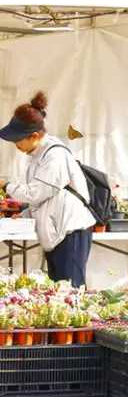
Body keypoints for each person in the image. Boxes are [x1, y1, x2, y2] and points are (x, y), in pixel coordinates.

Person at [0, 92, 96, 286]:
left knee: (69, 290)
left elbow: (36, 193)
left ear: (34, 136)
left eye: (18, 139)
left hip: (70, 232)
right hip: (58, 232)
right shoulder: (38, 155)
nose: (15, 144)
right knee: (57, 291)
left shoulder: (55, 156)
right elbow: (46, 196)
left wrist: (5, 185)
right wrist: (26, 214)